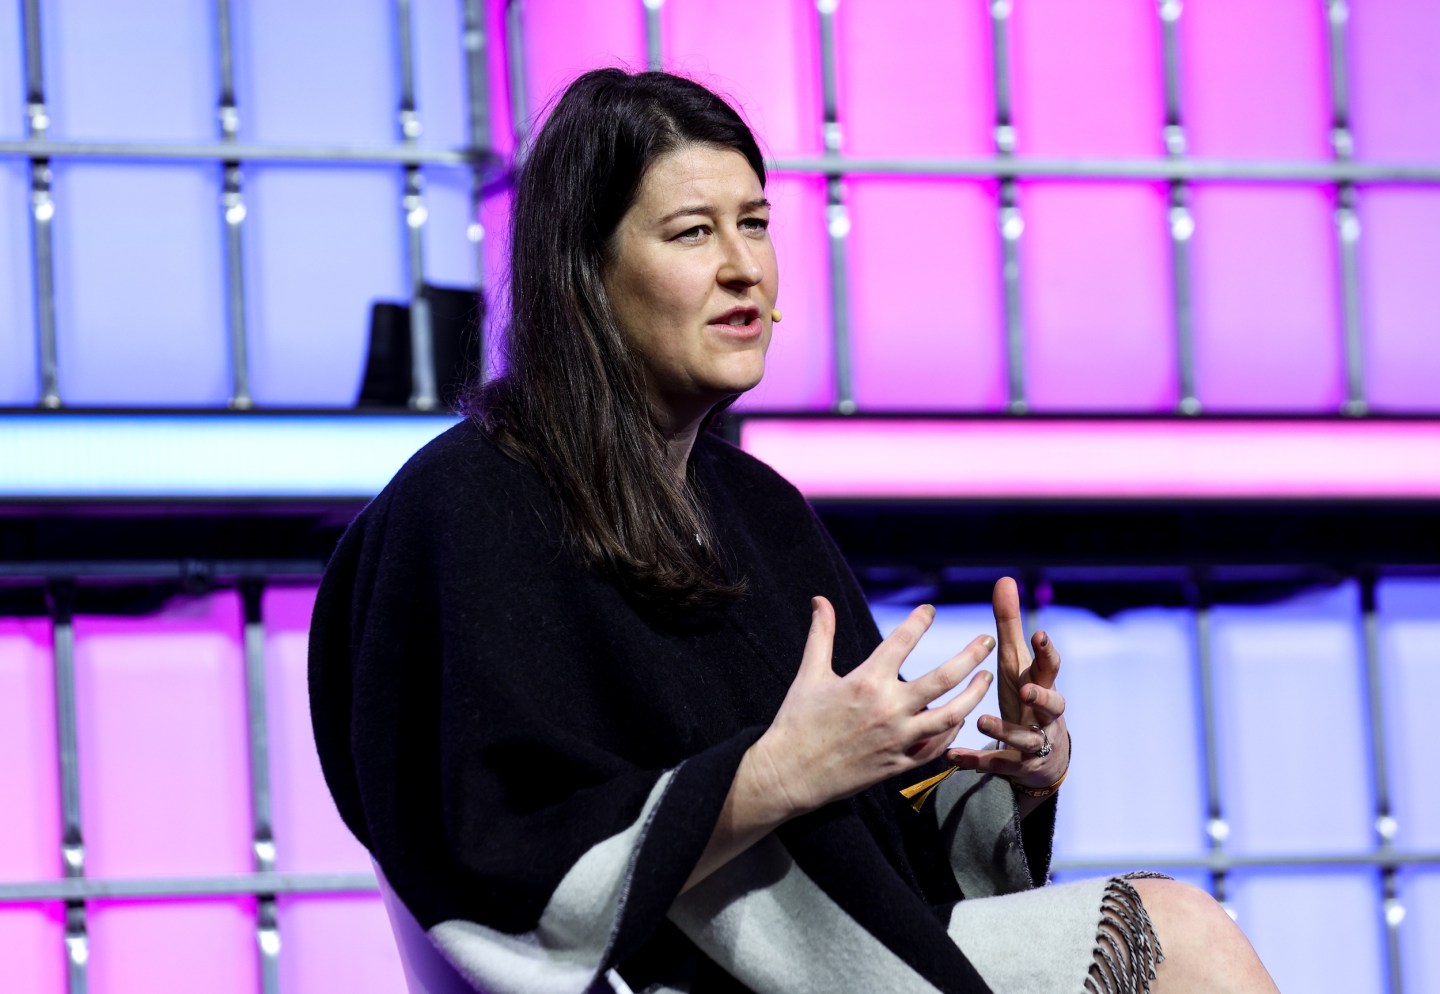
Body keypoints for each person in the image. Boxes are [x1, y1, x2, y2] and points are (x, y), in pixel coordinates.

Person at [308, 68, 1279, 994]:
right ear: (584, 274)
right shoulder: (468, 505)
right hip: (674, 975)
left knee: (1175, 928)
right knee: (1176, 936)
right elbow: (495, 853)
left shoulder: (762, 512)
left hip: (817, 957)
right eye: (692, 232)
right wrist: (771, 774)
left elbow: (870, 838)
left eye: (757, 224)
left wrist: (1004, 784)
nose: (742, 267)